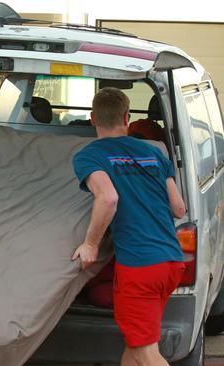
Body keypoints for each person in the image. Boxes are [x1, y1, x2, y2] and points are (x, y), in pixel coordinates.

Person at [72, 87, 186, 366]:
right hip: (171, 262)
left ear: (92, 119)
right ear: (126, 118)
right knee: (137, 345)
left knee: (146, 352)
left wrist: (90, 244)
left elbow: (108, 198)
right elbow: (179, 209)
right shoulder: (154, 152)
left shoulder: (90, 155)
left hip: (140, 268)